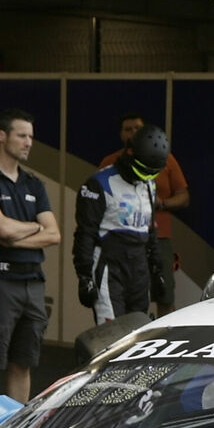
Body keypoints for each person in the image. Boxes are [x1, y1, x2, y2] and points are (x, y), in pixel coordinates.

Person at [0, 108, 59, 401]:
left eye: (31, 136)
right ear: (2, 136)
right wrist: (34, 228)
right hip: (0, 281)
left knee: (23, 363)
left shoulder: (33, 183)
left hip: (33, 283)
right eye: (21, 135)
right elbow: (0, 228)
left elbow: (54, 234)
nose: (28, 142)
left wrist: (17, 237)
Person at [74, 125, 166, 321]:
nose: (147, 177)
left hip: (139, 269)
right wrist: (84, 276)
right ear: (131, 153)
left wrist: (158, 269)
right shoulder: (99, 183)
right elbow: (85, 233)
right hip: (109, 266)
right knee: (112, 336)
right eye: (144, 171)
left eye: (152, 173)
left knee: (139, 334)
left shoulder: (148, 184)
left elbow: (151, 231)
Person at [102, 113, 190, 313]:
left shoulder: (165, 158)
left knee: (165, 292)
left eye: (137, 129)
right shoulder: (110, 162)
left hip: (159, 238)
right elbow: (100, 200)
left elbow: (184, 196)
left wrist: (161, 204)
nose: (133, 133)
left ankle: (164, 339)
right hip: (122, 239)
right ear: (121, 135)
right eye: (128, 129)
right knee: (126, 295)